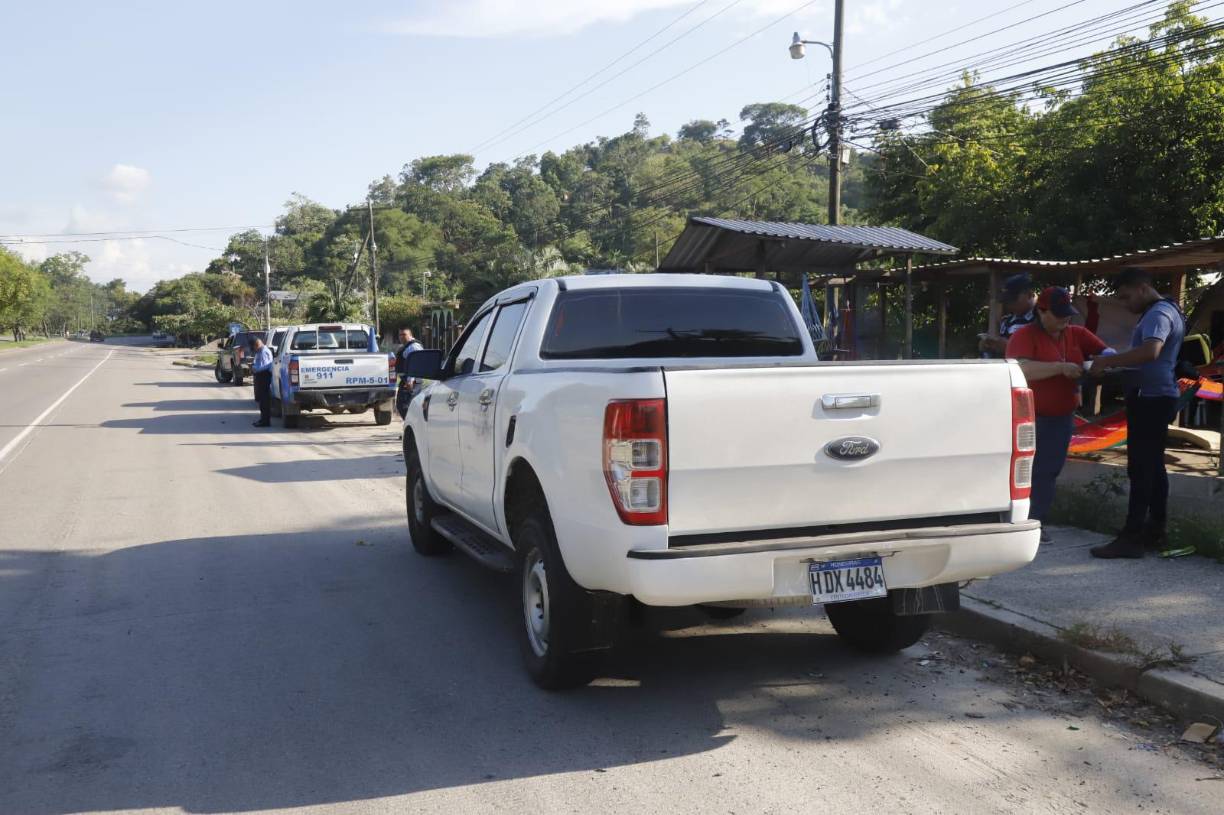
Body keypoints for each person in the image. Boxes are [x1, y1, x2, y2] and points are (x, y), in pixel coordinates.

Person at [1087, 266, 1186, 558]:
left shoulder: (1158, 313)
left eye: (1125, 296)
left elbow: (1150, 352)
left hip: (1151, 399)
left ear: (1142, 288)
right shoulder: (1168, 310)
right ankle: (1155, 531)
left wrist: (1108, 362)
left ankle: (1131, 538)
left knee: (1141, 469)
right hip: (1156, 396)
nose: (1124, 303)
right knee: (1153, 467)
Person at [1006, 287, 1109, 542]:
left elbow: (1106, 353)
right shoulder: (1023, 335)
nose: (1066, 319)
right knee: (1022, 470)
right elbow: (1019, 369)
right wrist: (1059, 368)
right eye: (1059, 314)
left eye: (1068, 314)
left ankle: (1036, 523)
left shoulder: (1076, 334)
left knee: (1048, 471)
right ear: (1041, 312)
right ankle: (1013, 522)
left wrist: (1106, 363)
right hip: (1028, 419)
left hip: (1061, 418)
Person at [979, 274, 1037, 357]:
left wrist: (1008, 346)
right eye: (1008, 300)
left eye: (1014, 299)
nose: (1010, 304)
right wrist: (986, 345)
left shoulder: (1040, 319)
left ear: (1029, 295)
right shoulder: (1006, 321)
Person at [395, 327, 423, 420]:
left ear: (410, 335)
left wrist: (410, 380)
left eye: (404, 334)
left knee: (405, 406)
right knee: (403, 405)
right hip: (406, 381)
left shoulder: (413, 347)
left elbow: (415, 364)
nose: (401, 337)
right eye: (400, 335)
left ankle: (413, 428)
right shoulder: (407, 346)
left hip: (411, 382)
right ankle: (410, 428)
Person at [250, 335, 274, 428]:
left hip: (264, 376)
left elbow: (267, 366)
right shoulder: (259, 351)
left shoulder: (264, 352)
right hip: (260, 377)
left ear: (257, 344)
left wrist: (255, 369)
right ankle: (262, 419)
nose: (254, 349)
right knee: (262, 400)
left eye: (254, 347)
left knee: (265, 401)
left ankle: (265, 421)